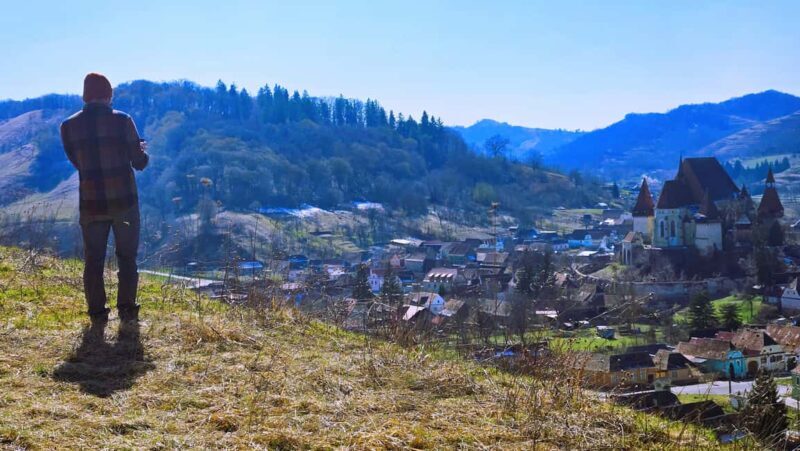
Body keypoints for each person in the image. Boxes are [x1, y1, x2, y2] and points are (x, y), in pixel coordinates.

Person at [60, 73, 149, 328]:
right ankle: (127, 309)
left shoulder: (68, 126)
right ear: (109, 95)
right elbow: (138, 163)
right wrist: (141, 151)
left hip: (91, 202)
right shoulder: (122, 120)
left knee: (94, 259)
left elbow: (77, 162)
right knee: (127, 258)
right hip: (124, 203)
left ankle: (97, 312)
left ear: (85, 96)